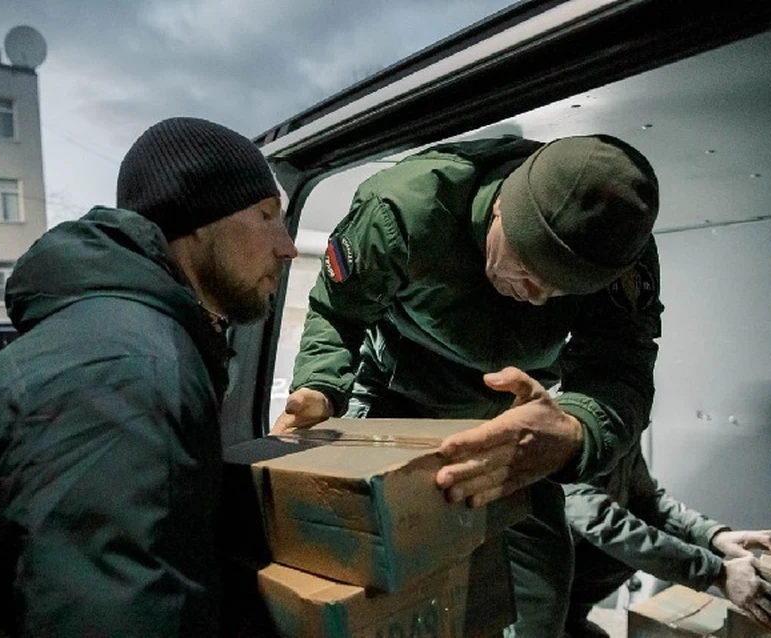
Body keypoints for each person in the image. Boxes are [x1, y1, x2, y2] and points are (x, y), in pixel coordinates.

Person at [0, 117, 298, 637]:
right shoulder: (124, 371)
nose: (287, 246)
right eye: (267, 216)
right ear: (199, 219)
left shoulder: (132, 339)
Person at [273, 134, 663, 637]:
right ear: (500, 206)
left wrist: (577, 431)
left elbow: (622, 368)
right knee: (369, 568)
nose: (536, 297)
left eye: (561, 289)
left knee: (542, 593)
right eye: (526, 267)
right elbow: (337, 309)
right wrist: (321, 388)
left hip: (511, 418)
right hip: (399, 393)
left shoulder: (617, 250)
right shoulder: (400, 210)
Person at [564, 441, 771, 638]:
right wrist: (717, 573)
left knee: (631, 546)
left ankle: (569, 620)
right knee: (626, 545)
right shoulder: (558, 429)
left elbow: (650, 502)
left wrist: (714, 535)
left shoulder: (619, 425)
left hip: (563, 573)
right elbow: (607, 525)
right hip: (533, 586)